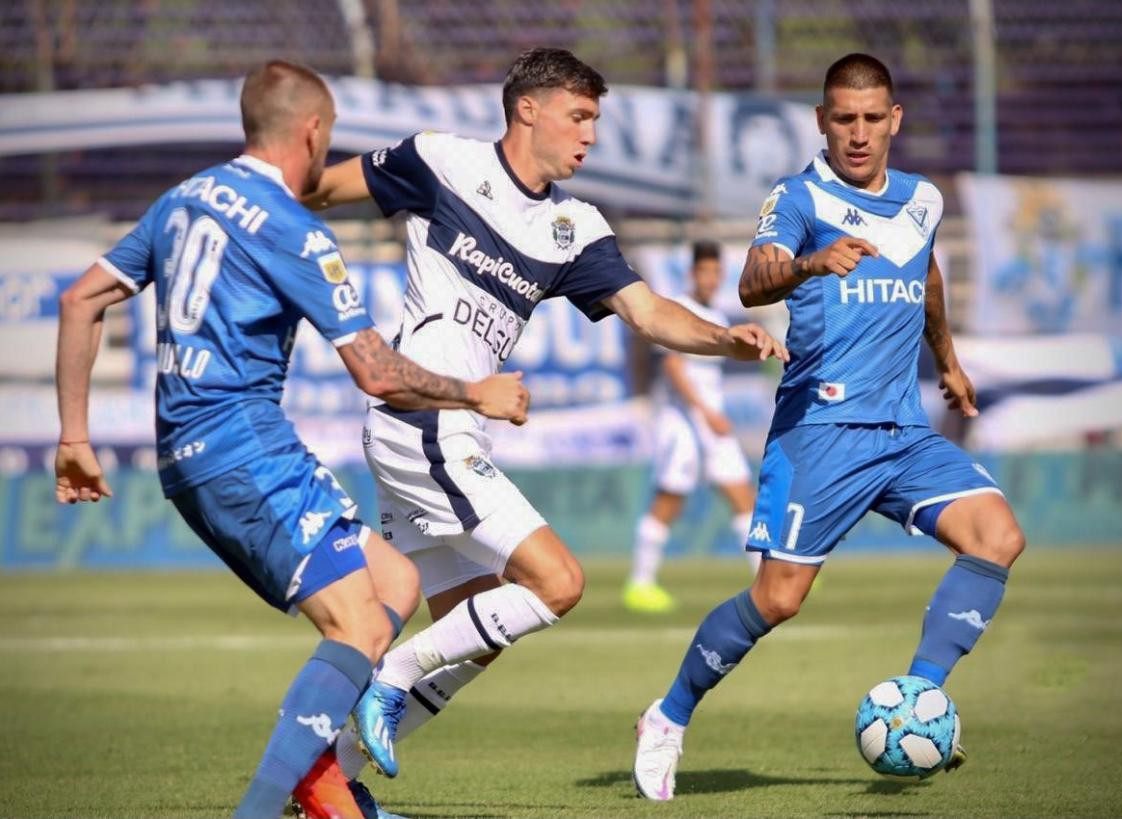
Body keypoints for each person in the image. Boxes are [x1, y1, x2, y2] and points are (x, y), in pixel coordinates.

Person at [53, 60, 528, 819]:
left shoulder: (183, 201)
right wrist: (478, 392)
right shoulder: (292, 228)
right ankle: (273, 805)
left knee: (396, 584)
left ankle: (324, 791)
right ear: (312, 131)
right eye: (329, 136)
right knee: (362, 623)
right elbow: (375, 371)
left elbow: (82, 299)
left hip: (189, 453)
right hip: (245, 447)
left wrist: (74, 435)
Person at [302, 46, 787, 781]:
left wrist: (724, 339)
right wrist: (255, 218)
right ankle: (391, 676)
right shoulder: (439, 162)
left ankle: (327, 779)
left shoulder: (575, 226)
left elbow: (649, 312)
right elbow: (317, 188)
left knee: (479, 632)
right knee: (557, 582)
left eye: (595, 119)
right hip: (425, 420)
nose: (590, 135)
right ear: (528, 109)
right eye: (579, 116)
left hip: (435, 431)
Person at [631, 52, 1027, 801]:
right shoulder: (797, 197)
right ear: (822, 120)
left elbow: (927, 272)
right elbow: (752, 280)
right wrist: (811, 264)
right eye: (843, 118)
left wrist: (948, 358)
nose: (858, 133)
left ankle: (921, 698)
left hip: (901, 431)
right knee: (777, 599)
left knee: (998, 535)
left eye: (872, 118)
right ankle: (668, 715)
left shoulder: (922, 200)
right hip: (820, 429)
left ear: (894, 120)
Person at [624, 239, 758, 614]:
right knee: (670, 499)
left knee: (742, 495)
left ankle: (767, 580)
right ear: (692, 273)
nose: (711, 279)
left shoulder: (720, 315)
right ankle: (640, 582)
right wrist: (704, 411)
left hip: (712, 423)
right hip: (682, 421)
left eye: (716, 272)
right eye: (705, 271)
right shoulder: (680, 310)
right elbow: (673, 366)